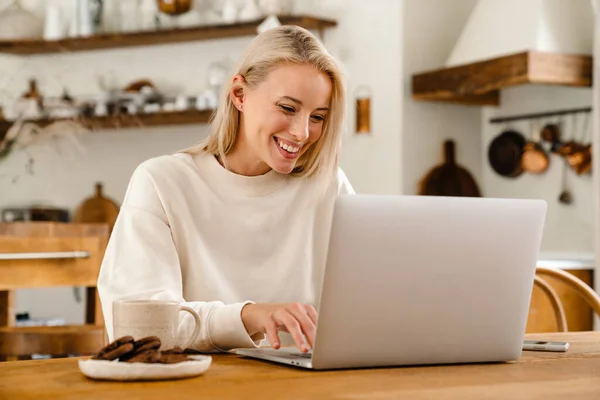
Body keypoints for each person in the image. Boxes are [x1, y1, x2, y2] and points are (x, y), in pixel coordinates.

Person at [97, 25, 355, 354]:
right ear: (240, 95)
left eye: (318, 116)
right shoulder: (161, 182)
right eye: (288, 108)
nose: (303, 132)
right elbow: (141, 332)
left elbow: (368, 307)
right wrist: (248, 317)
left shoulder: (329, 187)